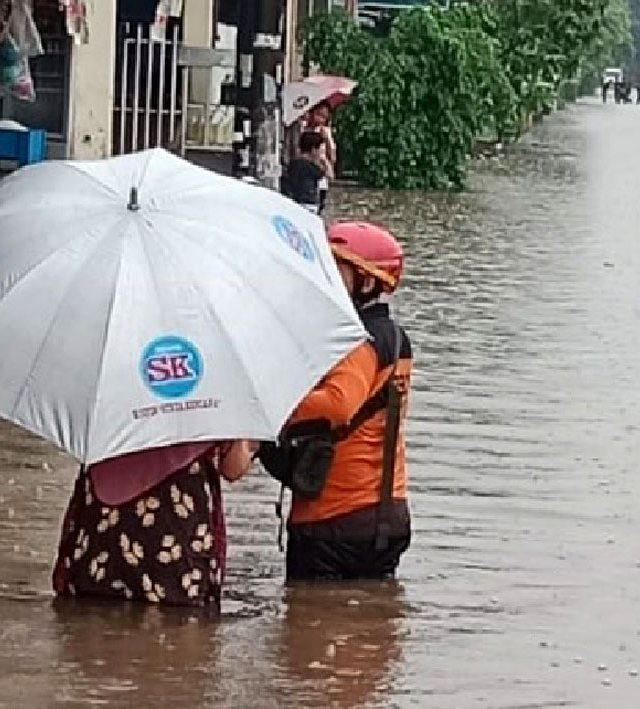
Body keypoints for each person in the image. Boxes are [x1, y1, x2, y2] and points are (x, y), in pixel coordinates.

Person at [281, 221, 413, 581]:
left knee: (306, 631)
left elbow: (337, 405)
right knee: (370, 626)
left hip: (333, 518)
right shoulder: (395, 338)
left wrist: (277, 406)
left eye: (336, 271)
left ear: (367, 282)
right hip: (388, 512)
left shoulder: (356, 340)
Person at [52, 440, 257, 609]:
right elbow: (232, 468)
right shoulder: (215, 399)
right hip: (177, 524)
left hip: (104, 516)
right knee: (175, 623)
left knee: (92, 613)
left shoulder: (112, 394)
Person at [282, 131, 328, 214]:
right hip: (308, 204)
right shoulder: (312, 168)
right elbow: (327, 177)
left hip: (293, 203)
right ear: (314, 149)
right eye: (320, 150)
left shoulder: (292, 164)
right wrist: (324, 161)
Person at [304, 101, 336, 213]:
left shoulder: (326, 133)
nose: (321, 120)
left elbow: (332, 156)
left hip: (320, 172)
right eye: (319, 115)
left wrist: (327, 139)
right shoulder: (303, 129)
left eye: (324, 117)